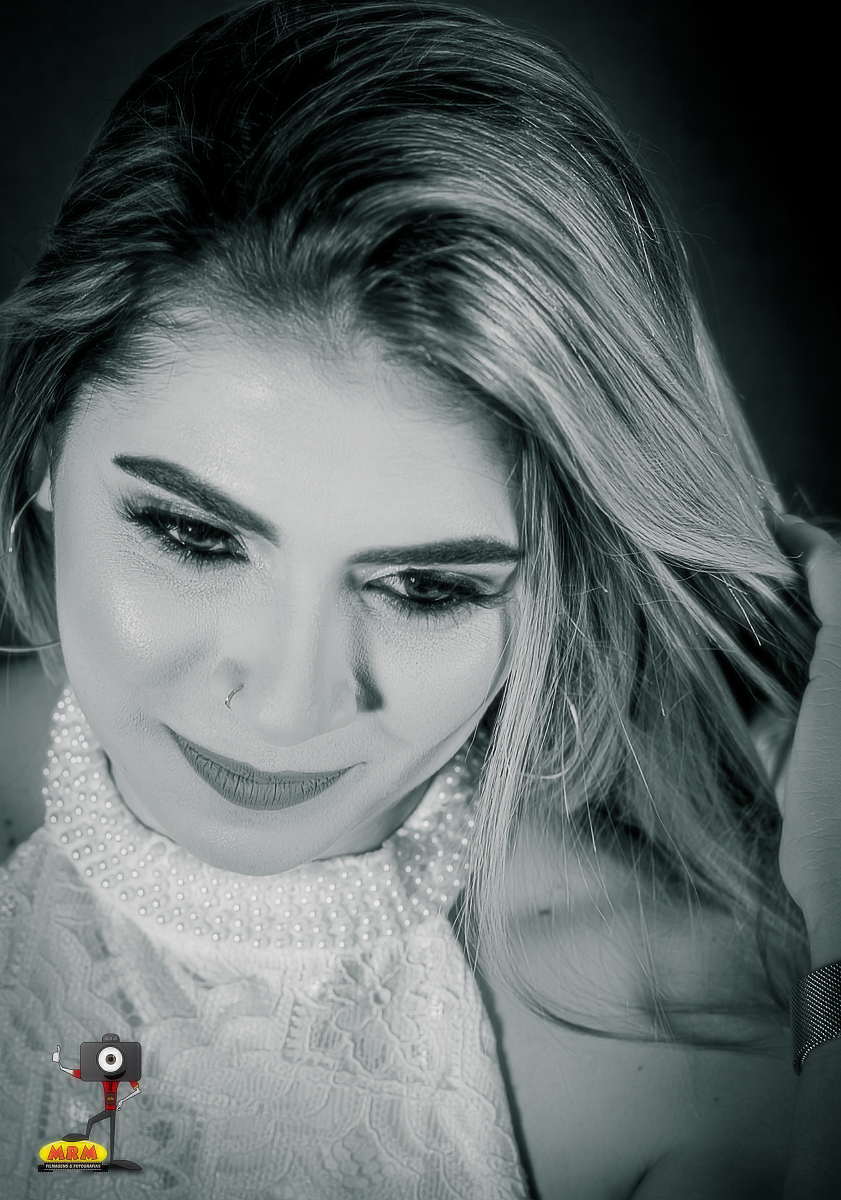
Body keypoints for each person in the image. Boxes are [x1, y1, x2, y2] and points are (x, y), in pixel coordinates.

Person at [0, 2, 838, 1196]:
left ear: (551, 582)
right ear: (42, 447)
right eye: (193, 535)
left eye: (426, 587)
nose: (288, 706)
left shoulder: (675, 1048)